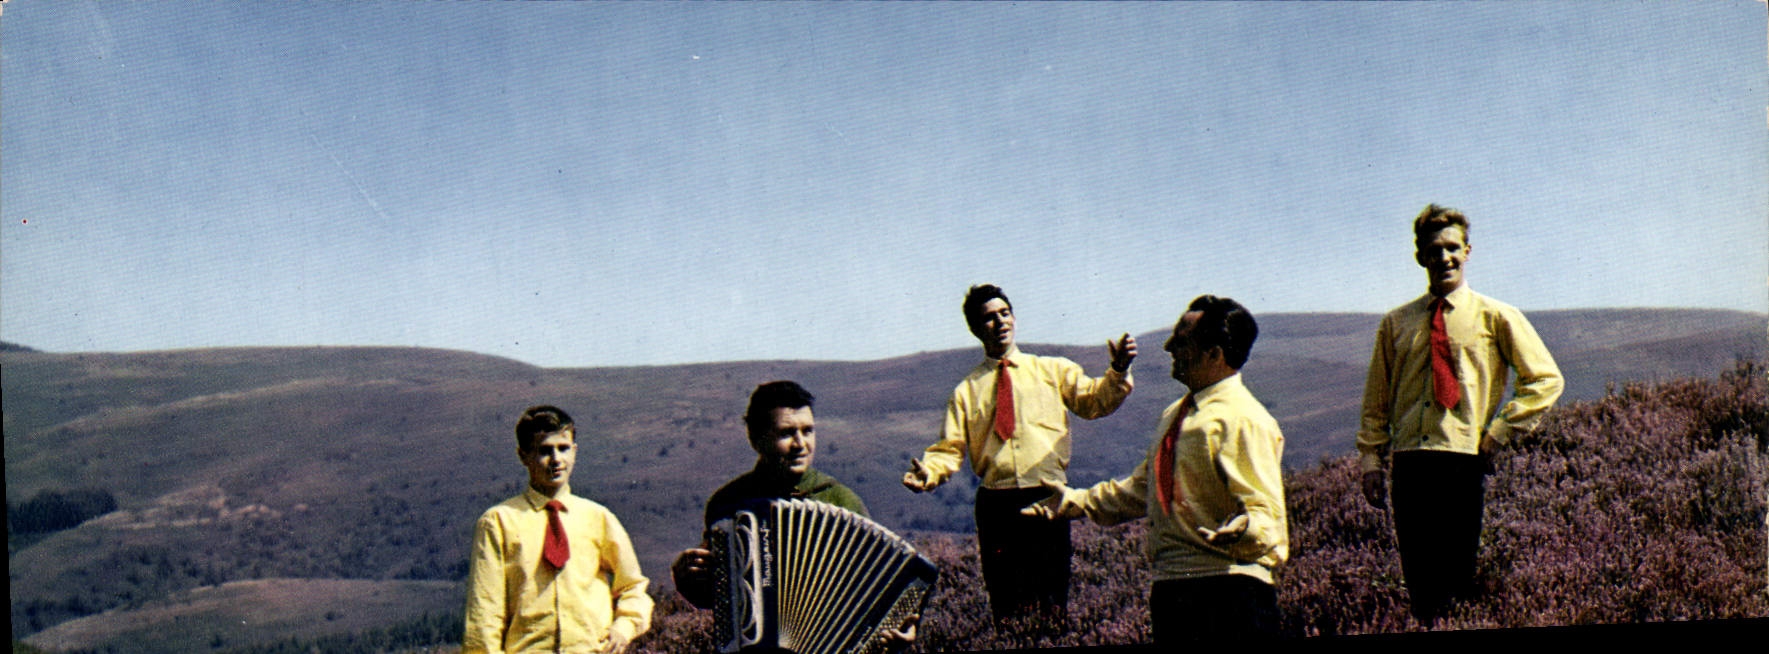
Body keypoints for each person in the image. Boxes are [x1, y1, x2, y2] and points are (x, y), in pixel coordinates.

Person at [1022, 295, 1287, 644]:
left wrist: (1246, 529)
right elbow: (1142, 489)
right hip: (1175, 592)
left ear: (1214, 354)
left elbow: (1266, 512)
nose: (1167, 346)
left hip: (1229, 594)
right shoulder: (1176, 415)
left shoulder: (1244, 419)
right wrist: (1075, 502)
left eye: (1181, 339)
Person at [1357, 204, 1564, 624]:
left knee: (1457, 584)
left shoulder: (1496, 316)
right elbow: (1376, 402)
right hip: (1410, 464)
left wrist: (1500, 432)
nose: (1444, 257)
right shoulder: (1395, 323)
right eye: (1434, 250)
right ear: (1420, 257)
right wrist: (1369, 462)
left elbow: (1545, 379)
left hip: (1461, 461)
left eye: (1452, 247)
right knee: (1420, 587)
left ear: (1468, 251)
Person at [901, 284, 1137, 626]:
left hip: (1047, 499)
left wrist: (1117, 370)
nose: (999, 323)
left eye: (1004, 313)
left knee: (1053, 608)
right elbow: (949, 449)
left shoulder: (1053, 371)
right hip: (996, 507)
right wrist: (930, 473)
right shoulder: (966, 390)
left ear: (1014, 317)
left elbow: (1096, 401)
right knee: (1008, 609)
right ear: (975, 329)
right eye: (988, 318)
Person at [671, 381, 916, 644]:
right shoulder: (728, 504)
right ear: (755, 438)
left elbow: (875, 586)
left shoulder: (841, 500)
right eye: (786, 433)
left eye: (808, 431)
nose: (801, 444)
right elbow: (719, 598)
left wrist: (901, 626)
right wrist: (689, 580)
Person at [463, 405, 653, 654]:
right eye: (544, 451)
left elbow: (633, 585)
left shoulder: (598, 517)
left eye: (563, 448)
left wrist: (624, 627)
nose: (556, 460)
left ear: (574, 451)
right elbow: (484, 610)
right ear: (523, 456)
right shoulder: (498, 522)